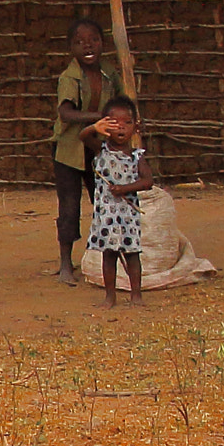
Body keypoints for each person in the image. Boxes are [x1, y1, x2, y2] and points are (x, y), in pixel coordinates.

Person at [52, 16, 110, 286]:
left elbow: (122, 103)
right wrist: (98, 117)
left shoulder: (110, 75)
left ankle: (102, 259)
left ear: (103, 43)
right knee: (69, 207)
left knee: (105, 203)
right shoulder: (69, 77)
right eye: (80, 42)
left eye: (94, 40)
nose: (88, 46)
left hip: (97, 148)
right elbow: (65, 113)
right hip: (70, 151)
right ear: (71, 48)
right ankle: (66, 263)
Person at [83, 96, 152, 307]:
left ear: (136, 127)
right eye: (114, 123)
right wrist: (94, 127)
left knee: (132, 255)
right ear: (106, 125)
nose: (121, 128)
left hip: (128, 215)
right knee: (109, 255)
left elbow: (148, 181)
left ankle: (136, 295)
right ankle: (110, 296)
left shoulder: (136, 156)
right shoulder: (100, 150)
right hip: (106, 215)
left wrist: (124, 189)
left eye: (127, 123)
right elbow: (83, 136)